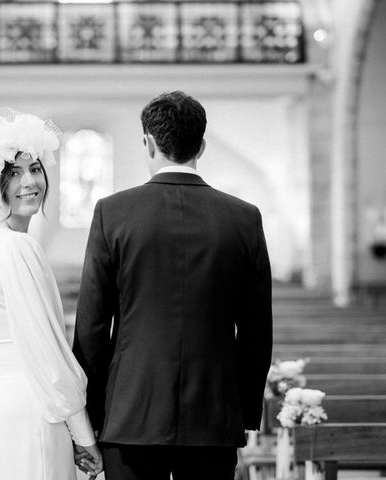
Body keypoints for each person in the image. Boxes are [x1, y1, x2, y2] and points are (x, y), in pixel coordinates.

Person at [72, 91, 273, 480]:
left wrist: (90, 416)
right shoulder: (244, 218)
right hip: (214, 414)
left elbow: (92, 326)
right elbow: (255, 331)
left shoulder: (112, 213)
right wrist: (244, 412)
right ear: (201, 145)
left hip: (130, 411)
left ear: (148, 142)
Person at [0, 108, 103, 480]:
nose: (29, 181)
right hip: (23, 413)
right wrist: (83, 435)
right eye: (14, 174)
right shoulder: (17, 248)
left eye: (35, 169)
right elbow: (46, 351)